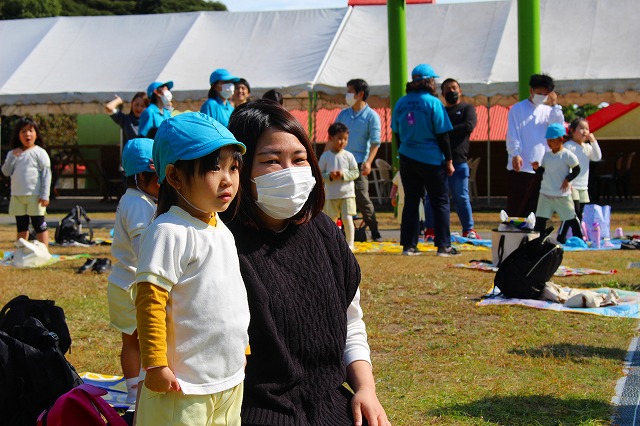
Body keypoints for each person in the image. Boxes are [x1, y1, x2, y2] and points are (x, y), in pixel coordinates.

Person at [224, 100, 390, 426]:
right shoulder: (220, 243)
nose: (289, 171)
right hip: (255, 412)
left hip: (331, 404)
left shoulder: (324, 232)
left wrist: (365, 389)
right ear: (239, 169)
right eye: (271, 161)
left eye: (299, 159)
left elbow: (350, 322)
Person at [134, 112, 250, 425]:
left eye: (233, 167)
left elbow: (232, 297)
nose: (228, 179)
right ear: (174, 176)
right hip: (182, 386)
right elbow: (150, 300)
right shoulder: (168, 231)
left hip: (227, 381)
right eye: (214, 168)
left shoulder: (221, 229)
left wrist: (242, 348)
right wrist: (155, 364)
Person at [107, 137, 159, 405]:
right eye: (158, 177)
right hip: (131, 285)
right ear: (140, 176)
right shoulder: (138, 203)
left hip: (122, 282)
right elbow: (142, 247)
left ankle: (134, 389)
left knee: (132, 340)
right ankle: (134, 393)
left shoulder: (135, 198)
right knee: (136, 341)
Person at [392, 64, 458, 257]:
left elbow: (397, 134)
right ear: (428, 81)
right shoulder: (433, 103)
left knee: (411, 201)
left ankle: (409, 246)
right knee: (440, 202)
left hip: (407, 157)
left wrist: (403, 153)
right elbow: (442, 135)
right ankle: (443, 246)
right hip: (431, 159)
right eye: (433, 80)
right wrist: (449, 160)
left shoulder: (401, 103)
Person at [424, 78, 479, 240]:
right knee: (431, 198)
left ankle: (468, 229)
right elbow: (432, 131)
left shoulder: (467, 108)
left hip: (459, 161)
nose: (451, 91)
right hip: (437, 161)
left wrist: (445, 131)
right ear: (442, 94)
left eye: (454, 88)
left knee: (461, 197)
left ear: (460, 91)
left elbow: (468, 126)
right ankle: (430, 230)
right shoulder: (439, 110)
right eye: (447, 89)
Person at [506, 74, 564, 217]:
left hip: (542, 165)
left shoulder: (549, 111)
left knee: (539, 207)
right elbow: (512, 133)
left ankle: (537, 230)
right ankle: (516, 229)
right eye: (539, 93)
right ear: (531, 91)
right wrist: (515, 153)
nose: (542, 97)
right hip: (521, 165)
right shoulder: (518, 109)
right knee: (518, 205)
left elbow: (557, 127)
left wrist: (555, 105)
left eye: (546, 94)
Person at [336, 78, 383, 242]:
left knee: (362, 198)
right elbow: (333, 137)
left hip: (359, 163)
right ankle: (340, 232)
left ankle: (374, 229)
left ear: (360, 94)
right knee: (339, 197)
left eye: (350, 91)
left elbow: (376, 143)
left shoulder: (372, 116)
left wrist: (368, 162)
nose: (347, 95)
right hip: (341, 163)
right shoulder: (343, 114)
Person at [1, 117, 52, 245]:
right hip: (17, 195)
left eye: (30, 131)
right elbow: (6, 171)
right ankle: (22, 251)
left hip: (35, 196)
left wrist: (45, 195)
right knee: (21, 225)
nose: (27, 134)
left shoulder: (40, 153)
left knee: (39, 224)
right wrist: (13, 157)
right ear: (18, 135)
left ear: (36, 134)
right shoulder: (12, 153)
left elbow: (46, 175)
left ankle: (44, 251)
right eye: (23, 131)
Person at [531, 123, 582, 243]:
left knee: (571, 217)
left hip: (562, 194)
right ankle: (538, 241)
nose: (549, 143)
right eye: (548, 140)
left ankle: (580, 239)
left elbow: (577, 169)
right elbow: (542, 171)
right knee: (540, 219)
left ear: (561, 139)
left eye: (552, 140)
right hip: (546, 193)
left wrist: (567, 179)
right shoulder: (547, 156)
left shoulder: (567, 155)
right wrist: (536, 168)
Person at [319, 122, 360, 250]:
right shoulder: (325, 156)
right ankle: (333, 244)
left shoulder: (349, 156)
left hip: (347, 194)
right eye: (340, 138)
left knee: (348, 219)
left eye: (345, 139)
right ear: (331, 138)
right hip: (331, 194)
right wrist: (330, 176)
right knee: (331, 220)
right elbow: (319, 174)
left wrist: (343, 175)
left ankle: (350, 244)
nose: (343, 142)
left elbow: (356, 172)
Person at [563, 117, 602, 221]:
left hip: (583, 186)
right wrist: (568, 182)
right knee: (574, 212)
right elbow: (565, 165)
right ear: (572, 131)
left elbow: (597, 157)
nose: (585, 131)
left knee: (581, 213)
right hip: (572, 185)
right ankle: (565, 231)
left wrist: (593, 141)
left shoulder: (587, 147)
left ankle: (577, 231)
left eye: (587, 129)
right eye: (581, 128)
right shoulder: (568, 146)